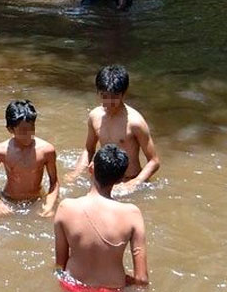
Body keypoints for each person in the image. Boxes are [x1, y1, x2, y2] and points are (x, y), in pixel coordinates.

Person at [54, 144, 149, 292]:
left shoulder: (66, 208)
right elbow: (142, 280)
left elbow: (60, 266)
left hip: (73, 287)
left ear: (91, 168)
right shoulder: (132, 214)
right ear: (120, 179)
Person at [66, 65, 160, 195]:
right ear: (98, 92)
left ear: (124, 94)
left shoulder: (135, 123)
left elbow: (154, 161)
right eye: (104, 96)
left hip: (128, 181)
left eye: (114, 96)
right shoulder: (95, 116)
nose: (109, 101)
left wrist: (134, 183)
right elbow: (89, 149)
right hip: (102, 181)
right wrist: (76, 173)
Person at [0, 100, 60, 217]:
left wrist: (49, 205)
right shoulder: (0, 152)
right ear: (10, 129)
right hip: (9, 200)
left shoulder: (47, 151)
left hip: (36, 200)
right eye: (23, 131)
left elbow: (54, 181)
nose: (28, 135)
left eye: (32, 128)